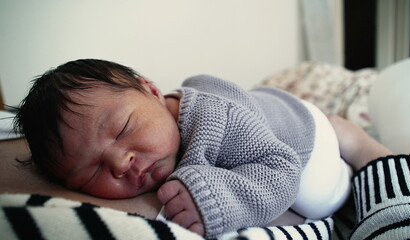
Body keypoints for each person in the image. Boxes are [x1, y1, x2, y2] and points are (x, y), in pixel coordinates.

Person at [14, 59, 352, 238]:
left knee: (319, 199)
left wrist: (213, 199)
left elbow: (281, 169)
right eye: (92, 171)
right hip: (268, 111)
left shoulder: (216, 121)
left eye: (122, 129)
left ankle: (348, 144)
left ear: (151, 90)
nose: (120, 162)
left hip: (306, 132)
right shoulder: (153, 126)